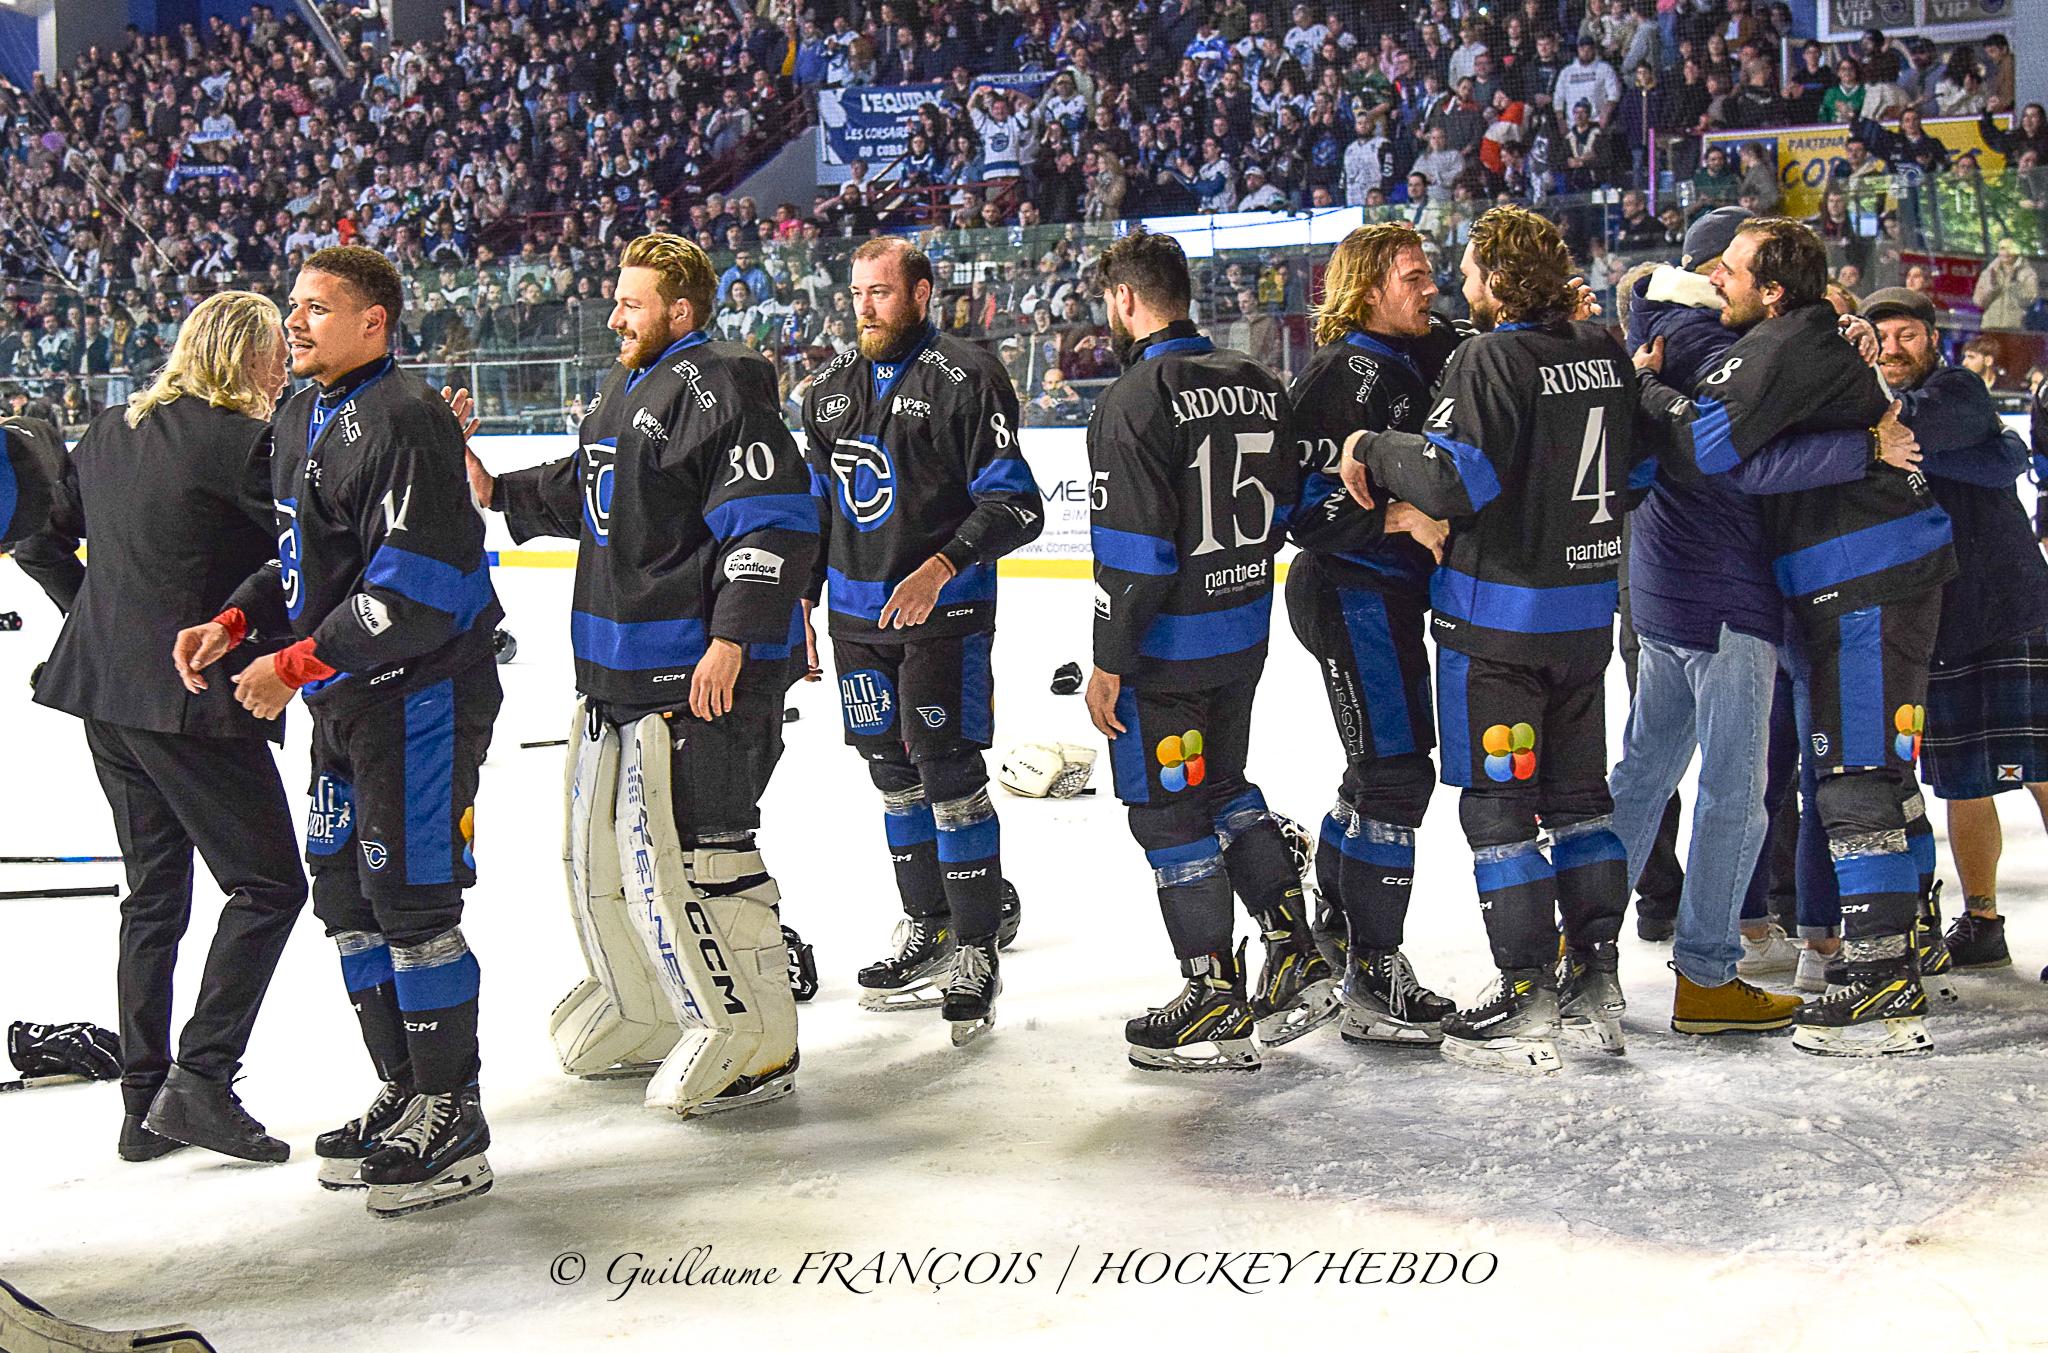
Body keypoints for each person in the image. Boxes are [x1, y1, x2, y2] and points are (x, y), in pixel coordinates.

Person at [172, 246, 506, 1213]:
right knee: (346, 895)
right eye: (294, 305)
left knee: (412, 898)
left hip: (422, 694)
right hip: (345, 697)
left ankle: (453, 1108)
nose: (295, 322)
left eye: (317, 307)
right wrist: (237, 621)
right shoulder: (297, 414)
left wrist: (290, 665)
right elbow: (300, 561)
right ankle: (404, 1087)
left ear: (374, 321)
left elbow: (418, 587)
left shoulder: (406, 418)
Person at [463, 234, 815, 1116]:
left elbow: (771, 523)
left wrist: (733, 639)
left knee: (701, 855)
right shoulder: (628, 385)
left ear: (680, 310)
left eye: (631, 302)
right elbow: (591, 488)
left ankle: (755, 1035)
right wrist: (495, 490)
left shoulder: (723, 385)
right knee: (610, 857)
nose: (615, 315)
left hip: (697, 676)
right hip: (618, 671)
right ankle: (649, 1005)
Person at [1638, 220, 1957, 1057]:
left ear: (1773, 291)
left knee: (1855, 777)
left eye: (1735, 271)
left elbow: (1707, 446)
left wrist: (1649, 391)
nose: (1719, 280)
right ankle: (1894, 955)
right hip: (1868, 571)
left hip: (1864, 575)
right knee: (1867, 774)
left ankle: (1881, 982)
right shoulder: (1807, 334)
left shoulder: (1779, 346)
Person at [7, 294, 308, 1166]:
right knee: (268, 886)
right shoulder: (248, 445)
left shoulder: (111, 429)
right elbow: (297, 561)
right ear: (241, 356)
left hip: (105, 695)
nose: (284, 367)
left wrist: (97, 618)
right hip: (189, 703)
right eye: (274, 352)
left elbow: (37, 540)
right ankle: (201, 1080)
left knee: (153, 895)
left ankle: (143, 1107)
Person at [1342, 205, 1642, 1074]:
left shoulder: (1488, 357)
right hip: (1584, 617)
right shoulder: (1601, 349)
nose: (1460, 283)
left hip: (1499, 627)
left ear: (1502, 281)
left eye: (1471, 270)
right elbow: (1643, 466)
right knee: (1581, 803)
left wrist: (1373, 443)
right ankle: (1596, 980)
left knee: (1500, 808)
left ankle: (1525, 991)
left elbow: (1452, 478)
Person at [798, 238, 1040, 1045]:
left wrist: (939, 568)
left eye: (881, 292)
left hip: (945, 617)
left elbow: (1017, 505)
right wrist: (800, 605)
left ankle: (976, 948)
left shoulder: (967, 377)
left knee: (949, 775)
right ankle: (928, 927)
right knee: (893, 777)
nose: (864, 308)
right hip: (857, 621)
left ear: (923, 293)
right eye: (857, 293)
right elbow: (816, 512)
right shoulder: (827, 392)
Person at [1083, 227, 1306, 1072]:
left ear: (1126, 299)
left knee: (1169, 810)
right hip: (1242, 630)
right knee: (1224, 786)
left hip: (1167, 651)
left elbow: (1136, 558)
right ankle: (1293, 945)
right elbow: (1288, 508)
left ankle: (1212, 993)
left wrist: (1109, 661)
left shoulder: (1134, 397)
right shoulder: (1256, 380)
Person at [1280, 222, 1461, 1047]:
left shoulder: (1430, 346)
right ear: (1368, 289)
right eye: (1413, 277)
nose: (1431, 288)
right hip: (1351, 592)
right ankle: (1373, 973)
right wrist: (1397, 515)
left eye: (1429, 274)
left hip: (1388, 598)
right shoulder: (1335, 375)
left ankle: (1337, 923)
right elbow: (1292, 507)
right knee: (1395, 776)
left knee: (1373, 772)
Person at [1864, 287, 2048, 974]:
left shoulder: (1959, 388)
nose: (1893, 349)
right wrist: (1997, 455)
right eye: (1882, 339)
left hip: (2012, 608)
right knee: (1963, 783)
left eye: (1907, 335)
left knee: (2045, 772)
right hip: (1937, 620)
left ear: (1932, 338)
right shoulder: (1868, 408)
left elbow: (1942, 439)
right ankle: (1983, 920)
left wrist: (1890, 444)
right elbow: (1991, 459)